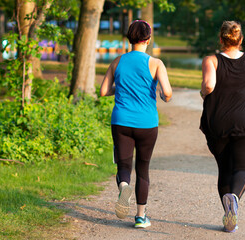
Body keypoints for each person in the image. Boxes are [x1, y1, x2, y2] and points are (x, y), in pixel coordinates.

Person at [100, 20, 172, 228]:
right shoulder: (156, 63)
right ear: (148, 40)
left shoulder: (117, 61)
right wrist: (162, 95)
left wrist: (120, 90)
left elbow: (104, 91)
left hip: (121, 121)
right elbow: (167, 93)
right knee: (143, 168)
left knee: (123, 165)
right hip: (147, 123)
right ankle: (140, 217)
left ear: (129, 39)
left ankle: (124, 186)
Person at [200, 21, 245, 233]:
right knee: (242, 169)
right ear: (240, 40)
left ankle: (230, 216)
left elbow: (209, 85)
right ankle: (235, 198)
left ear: (221, 39)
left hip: (217, 123)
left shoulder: (211, 60)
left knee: (224, 170)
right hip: (244, 123)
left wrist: (203, 92)